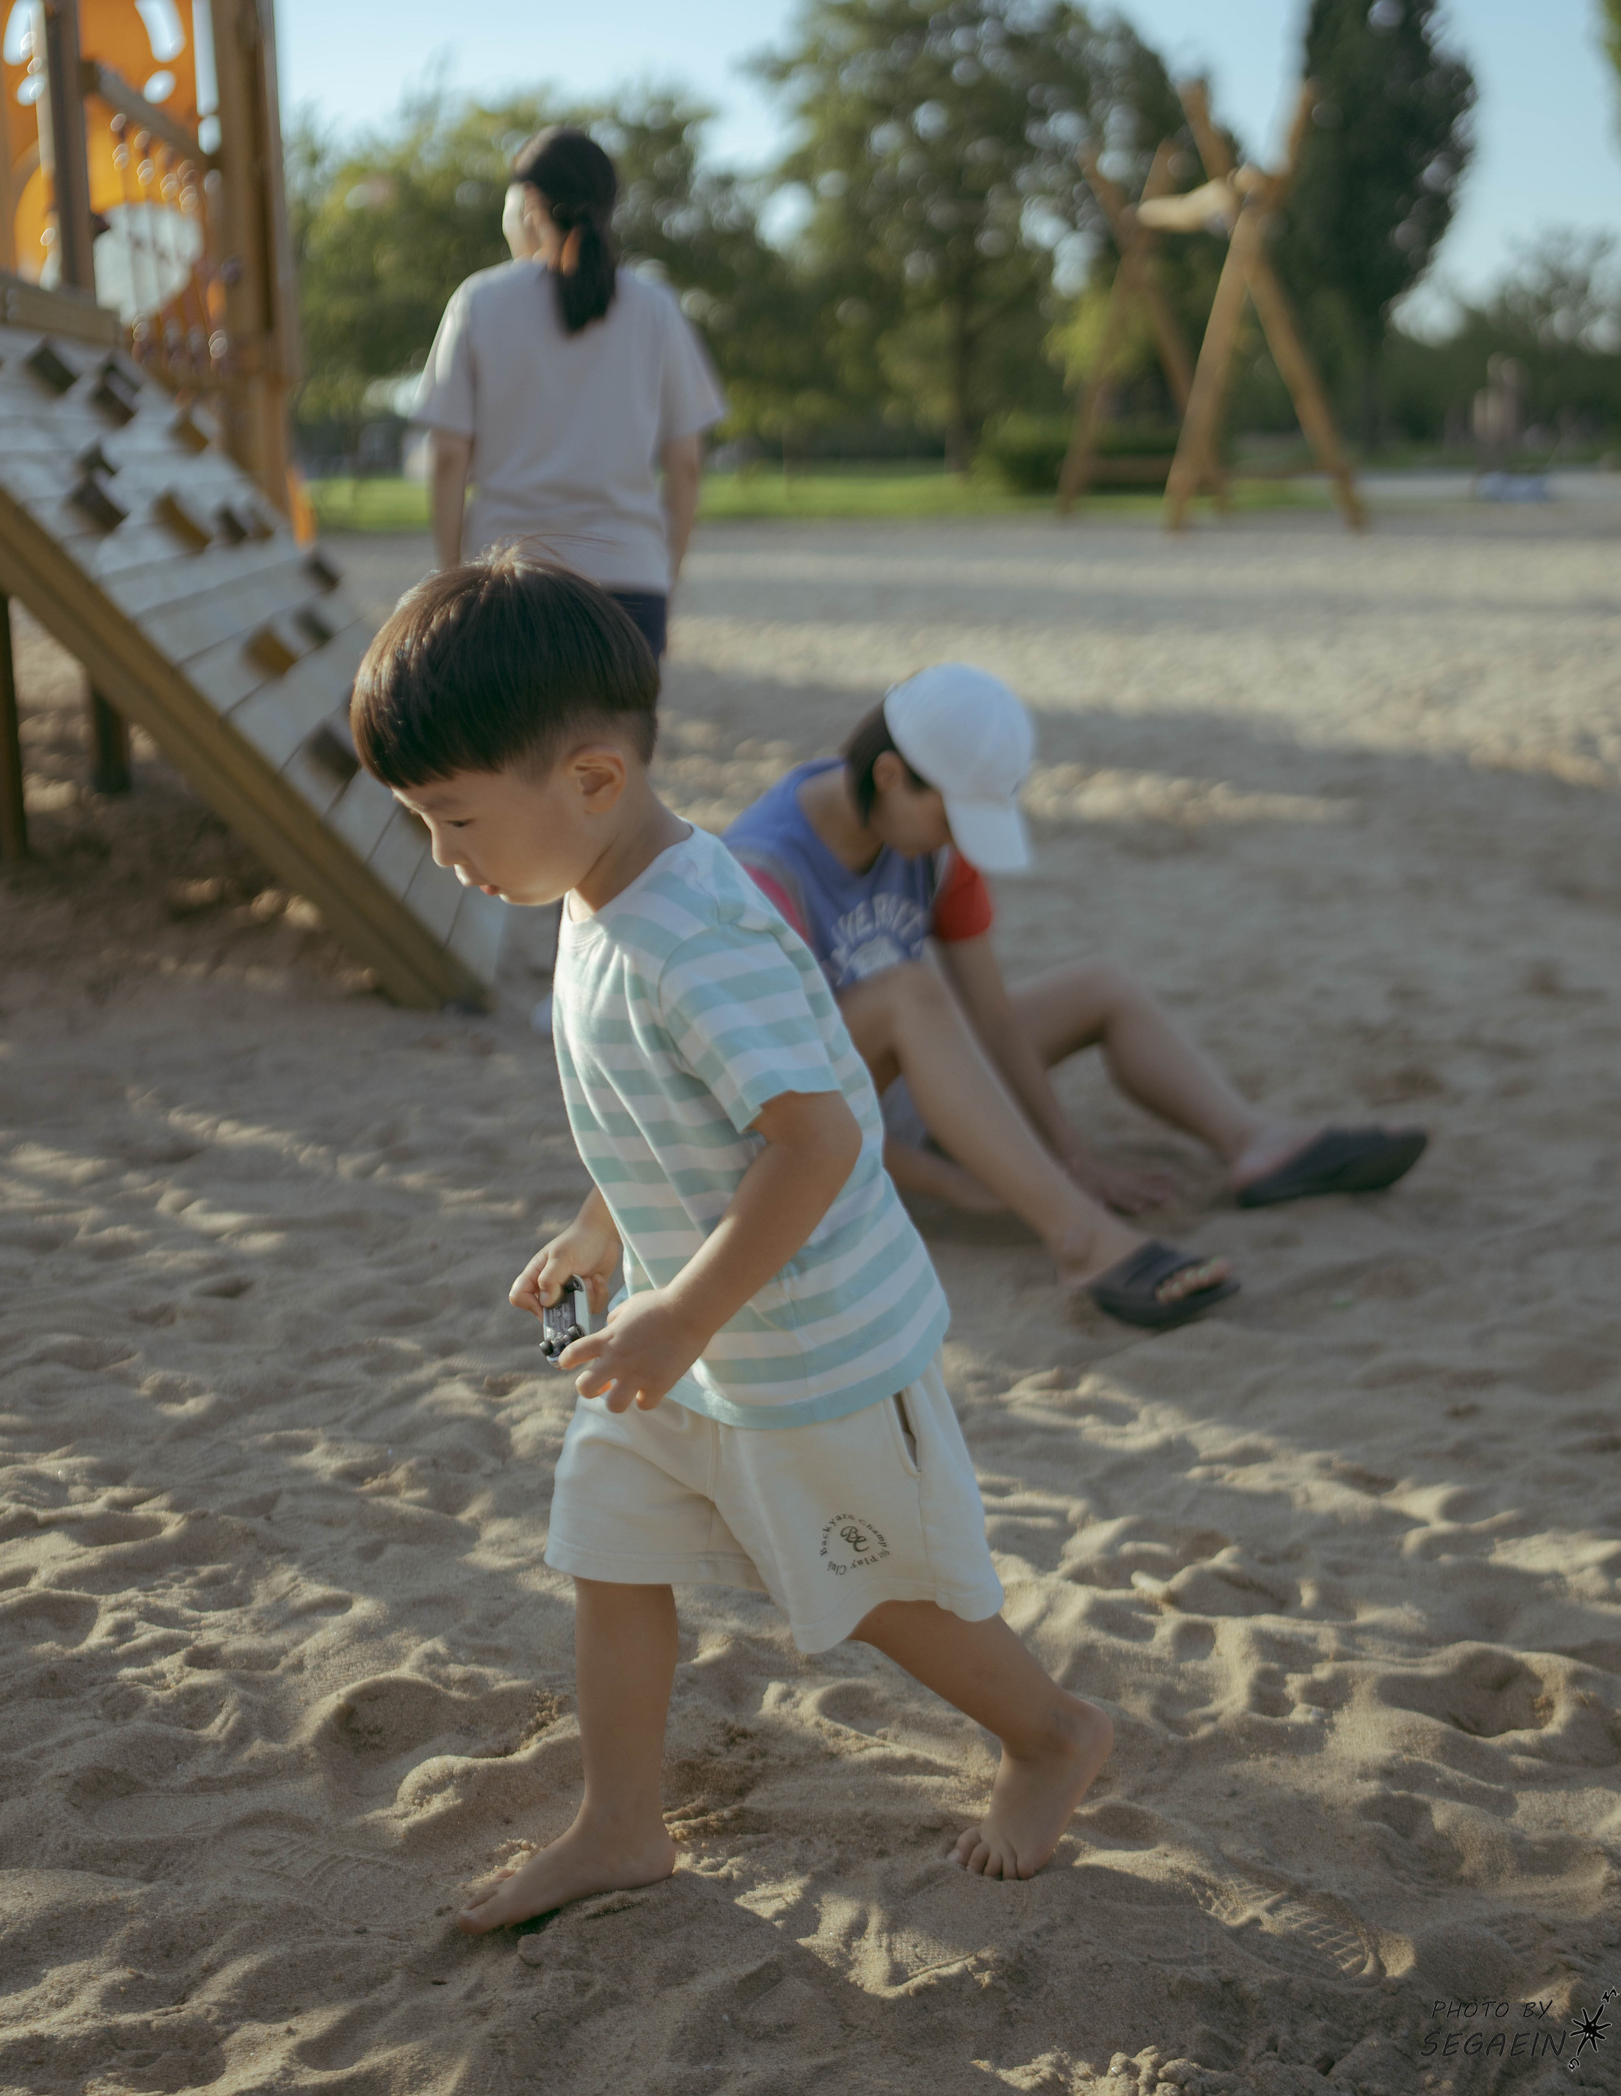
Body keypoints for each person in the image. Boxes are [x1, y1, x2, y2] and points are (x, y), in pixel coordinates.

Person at [348, 555, 1116, 1930]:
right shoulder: (598, 893)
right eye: (422, 822)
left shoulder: (692, 934)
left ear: (591, 778)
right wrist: (599, 1229)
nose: (444, 856)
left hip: (803, 1346)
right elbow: (663, 1113)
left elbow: (817, 1141)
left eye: (453, 819)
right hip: (684, 1331)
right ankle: (619, 1824)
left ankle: (1050, 1733)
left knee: (877, 1588)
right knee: (610, 1548)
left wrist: (682, 1315)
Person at [725, 665, 1427, 1320]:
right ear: (890, 775)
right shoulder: (760, 875)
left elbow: (994, 1020)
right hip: (802, 1122)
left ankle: (1254, 1143)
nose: (959, 840)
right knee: (910, 993)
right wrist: (951, 1183)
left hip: (908, 1078)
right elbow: (773, 1108)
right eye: (952, 818)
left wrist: (1067, 1155)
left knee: (1099, 985)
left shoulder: (931, 845)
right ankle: (1079, 1241)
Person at [412, 127, 724, 663]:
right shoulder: (656, 307)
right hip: (633, 584)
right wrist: (664, 577)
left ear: (529, 201)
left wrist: (451, 579)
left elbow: (447, 458)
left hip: (508, 587)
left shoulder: (479, 301)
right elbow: (686, 465)